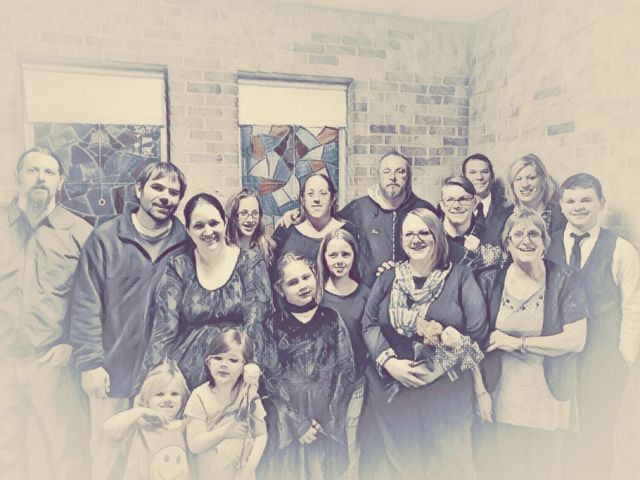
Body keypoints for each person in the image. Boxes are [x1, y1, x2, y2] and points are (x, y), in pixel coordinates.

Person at [69, 161, 190, 480]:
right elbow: (85, 302)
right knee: (107, 457)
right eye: (157, 188)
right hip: (112, 371)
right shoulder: (105, 239)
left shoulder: (186, 243)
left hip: (161, 379)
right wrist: (90, 362)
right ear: (139, 190)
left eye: (173, 192)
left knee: (159, 461)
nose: (165, 197)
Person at [360, 207, 488, 480]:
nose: (416, 239)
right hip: (396, 391)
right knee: (403, 467)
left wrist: (435, 369)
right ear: (401, 240)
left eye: (424, 233)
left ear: (437, 236)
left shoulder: (460, 276)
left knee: (451, 464)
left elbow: (478, 332)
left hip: (447, 391)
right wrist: (389, 362)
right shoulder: (388, 278)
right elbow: (369, 324)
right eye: (409, 234)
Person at [0, 147, 92, 479]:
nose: (41, 178)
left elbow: (91, 298)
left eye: (49, 172)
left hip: (52, 362)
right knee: (5, 451)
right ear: (17, 177)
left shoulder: (79, 233)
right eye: (32, 170)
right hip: (3, 360)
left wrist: (71, 343)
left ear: (60, 181)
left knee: (66, 450)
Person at [476, 209, 587, 480]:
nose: (526, 240)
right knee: (508, 471)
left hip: (549, 394)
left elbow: (576, 340)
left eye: (533, 234)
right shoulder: (489, 281)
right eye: (518, 234)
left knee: (545, 470)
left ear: (544, 242)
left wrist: (518, 343)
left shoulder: (564, 279)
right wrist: (481, 393)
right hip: (503, 395)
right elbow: (474, 342)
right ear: (507, 243)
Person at [546, 173, 640, 480]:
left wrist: (624, 358)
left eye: (586, 200)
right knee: (559, 438)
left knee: (597, 434)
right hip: (556, 359)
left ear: (601, 203)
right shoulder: (546, 244)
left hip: (602, 360)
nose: (578, 207)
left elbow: (633, 306)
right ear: (561, 206)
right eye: (571, 201)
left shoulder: (621, 249)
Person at [141, 193, 272, 390]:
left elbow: (257, 320)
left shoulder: (250, 262)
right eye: (199, 226)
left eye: (213, 223)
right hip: (190, 372)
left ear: (225, 223)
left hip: (241, 368)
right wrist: (149, 381)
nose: (208, 231)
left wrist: (251, 364)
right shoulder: (179, 267)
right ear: (188, 230)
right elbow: (164, 330)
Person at [261, 253, 355, 480]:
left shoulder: (331, 318)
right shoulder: (273, 324)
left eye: (306, 277)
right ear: (280, 289)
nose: (302, 286)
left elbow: (346, 368)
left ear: (315, 275)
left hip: (326, 419)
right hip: (289, 420)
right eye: (293, 282)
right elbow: (270, 377)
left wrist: (329, 417)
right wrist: (298, 423)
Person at [317, 228, 370, 479]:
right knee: (325, 444)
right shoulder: (316, 294)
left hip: (356, 383)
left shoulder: (365, 294)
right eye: (333, 255)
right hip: (322, 387)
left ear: (354, 256)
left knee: (351, 440)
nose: (339, 261)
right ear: (324, 257)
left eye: (345, 254)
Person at [339, 152, 436, 286]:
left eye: (400, 172)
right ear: (378, 176)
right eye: (386, 172)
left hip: (415, 289)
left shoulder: (424, 210)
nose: (392, 177)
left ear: (408, 176)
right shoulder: (356, 210)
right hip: (366, 291)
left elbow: (437, 253)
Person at [184, 330, 267, 480]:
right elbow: (194, 444)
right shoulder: (199, 396)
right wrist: (225, 432)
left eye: (233, 360)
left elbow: (261, 435)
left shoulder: (249, 395)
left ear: (244, 366)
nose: (223, 364)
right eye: (218, 358)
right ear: (208, 362)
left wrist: (249, 469)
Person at [103, 360, 191, 480]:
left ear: (183, 398)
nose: (168, 399)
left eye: (174, 394)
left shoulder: (187, 427)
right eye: (160, 394)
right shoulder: (139, 427)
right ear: (147, 399)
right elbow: (108, 429)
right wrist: (140, 411)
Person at [272, 173, 358, 274]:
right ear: (302, 199)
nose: (316, 199)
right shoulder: (286, 229)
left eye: (323, 193)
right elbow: (270, 267)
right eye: (310, 194)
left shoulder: (347, 230)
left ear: (333, 198)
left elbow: (357, 273)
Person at [439, 175, 504, 270]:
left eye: (464, 199)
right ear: (442, 205)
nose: (456, 205)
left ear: (475, 203)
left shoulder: (491, 236)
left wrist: (478, 254)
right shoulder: (430, 235)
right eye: (450, 200)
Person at [506, 153, 566, 234]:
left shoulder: (561, 216)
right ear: (512, 185)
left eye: (531, 178)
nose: (525, 185)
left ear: (543, 180)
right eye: (518, 179)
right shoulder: (503, 218)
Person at [462, 153, 512, 246]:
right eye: (472, 172)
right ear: (464, 177)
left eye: (485, 172)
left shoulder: (507, 210)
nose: (479, 177)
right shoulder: (456, 208)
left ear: (492, 176)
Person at [225, 188, 274, 265]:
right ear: (233, 215)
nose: (250, 220)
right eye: (243, 213)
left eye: (255, 213)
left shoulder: (268, 248)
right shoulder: (223, 250)